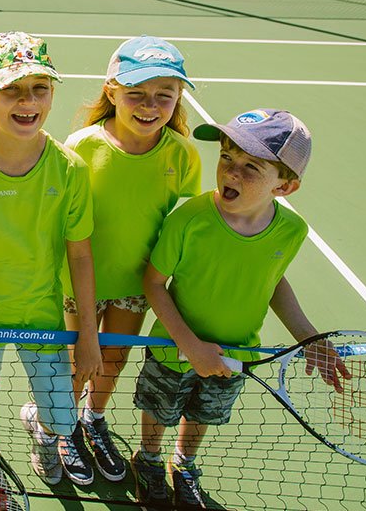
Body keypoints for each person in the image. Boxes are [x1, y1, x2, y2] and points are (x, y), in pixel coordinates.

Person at [136, 109, 349, 507]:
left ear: (285, 187)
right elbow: (153, 283)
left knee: (202, 414)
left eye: (251, 166)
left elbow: (274, 283)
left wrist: (309, 337)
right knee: (160, 411)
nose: (231, 172)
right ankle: (148, 460)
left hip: (238, 353)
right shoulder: (189, 220)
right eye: (227, 157)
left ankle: (183, 464)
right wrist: (191, 345)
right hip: (173, 350)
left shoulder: (291, 230)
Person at [0, 31, 102, 490]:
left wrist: (87, 334)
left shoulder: (70, 170)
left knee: (63, 418)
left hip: (41, 316)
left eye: (39, 88)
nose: (27, 101)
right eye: (11, 89)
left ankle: (45, 436)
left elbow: (81, 256)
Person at [62, 35, 202, 484]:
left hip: (136, 285)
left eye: (165, 94)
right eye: (137, 93)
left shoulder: (182, 154)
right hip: (74, 284)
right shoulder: (81, 146)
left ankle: (93, 419)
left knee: (114, 359)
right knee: (74, 362)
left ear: (179, 98)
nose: (150, 105)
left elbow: (185, 224)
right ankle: (63, 424)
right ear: (111, 91)